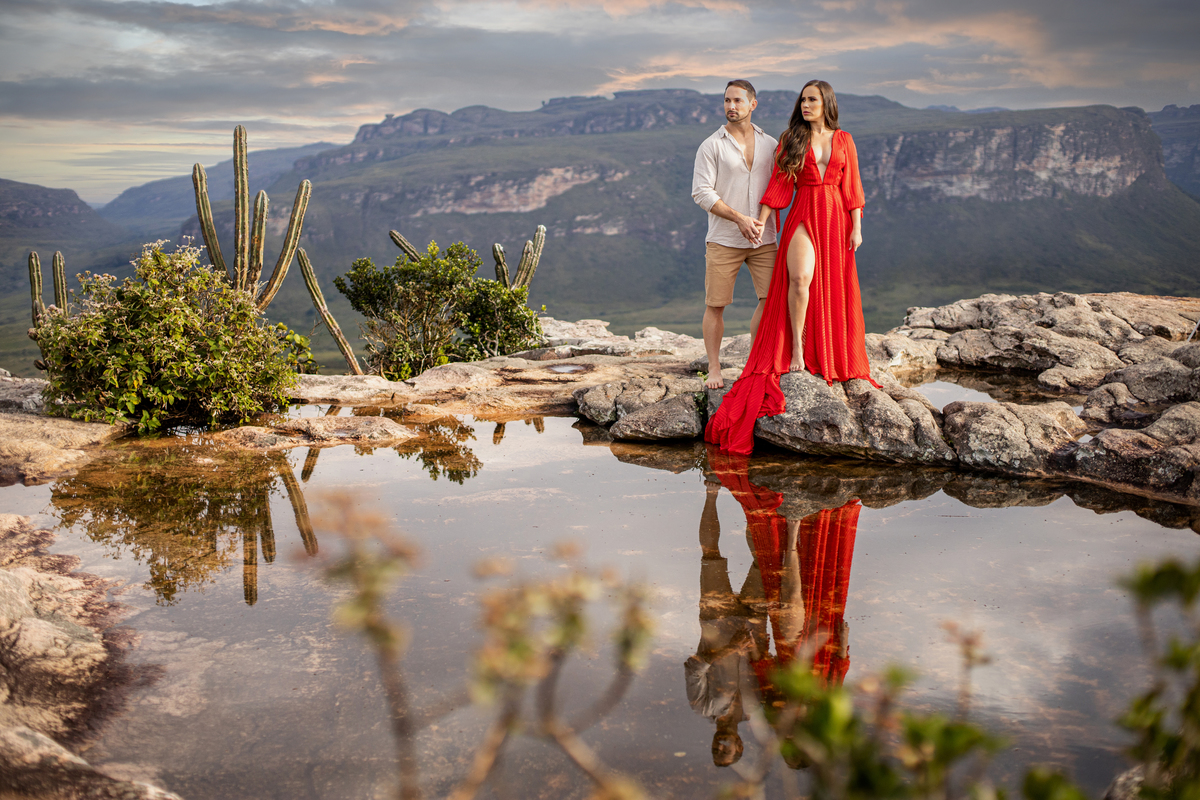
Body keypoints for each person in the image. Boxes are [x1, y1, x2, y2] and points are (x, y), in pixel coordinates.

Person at [705, 80, 878, 456]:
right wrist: (762, 221)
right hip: (804, 212)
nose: (805, 105)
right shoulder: (790, 138)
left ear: (826, 102)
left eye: (812, 100)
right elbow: (780, 185)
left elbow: (853, 187)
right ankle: (797, 349)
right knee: (799, 279)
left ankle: (830, 352)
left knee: (831, 285)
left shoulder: (844, 139)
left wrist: (858, 226)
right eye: (802, 100)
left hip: (836, 218)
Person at [691, 79, 779, 390]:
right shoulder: (711, 145)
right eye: (727, 100)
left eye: (738, 101)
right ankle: (714, 367)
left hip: (764, 238)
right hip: (723, 238)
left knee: (771, 300)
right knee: (716, 304)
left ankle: (754, 361)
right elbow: (701, 193)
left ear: (753, 104)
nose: (731, 106)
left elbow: (779, 186)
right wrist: (739, 218)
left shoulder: (771, 145)